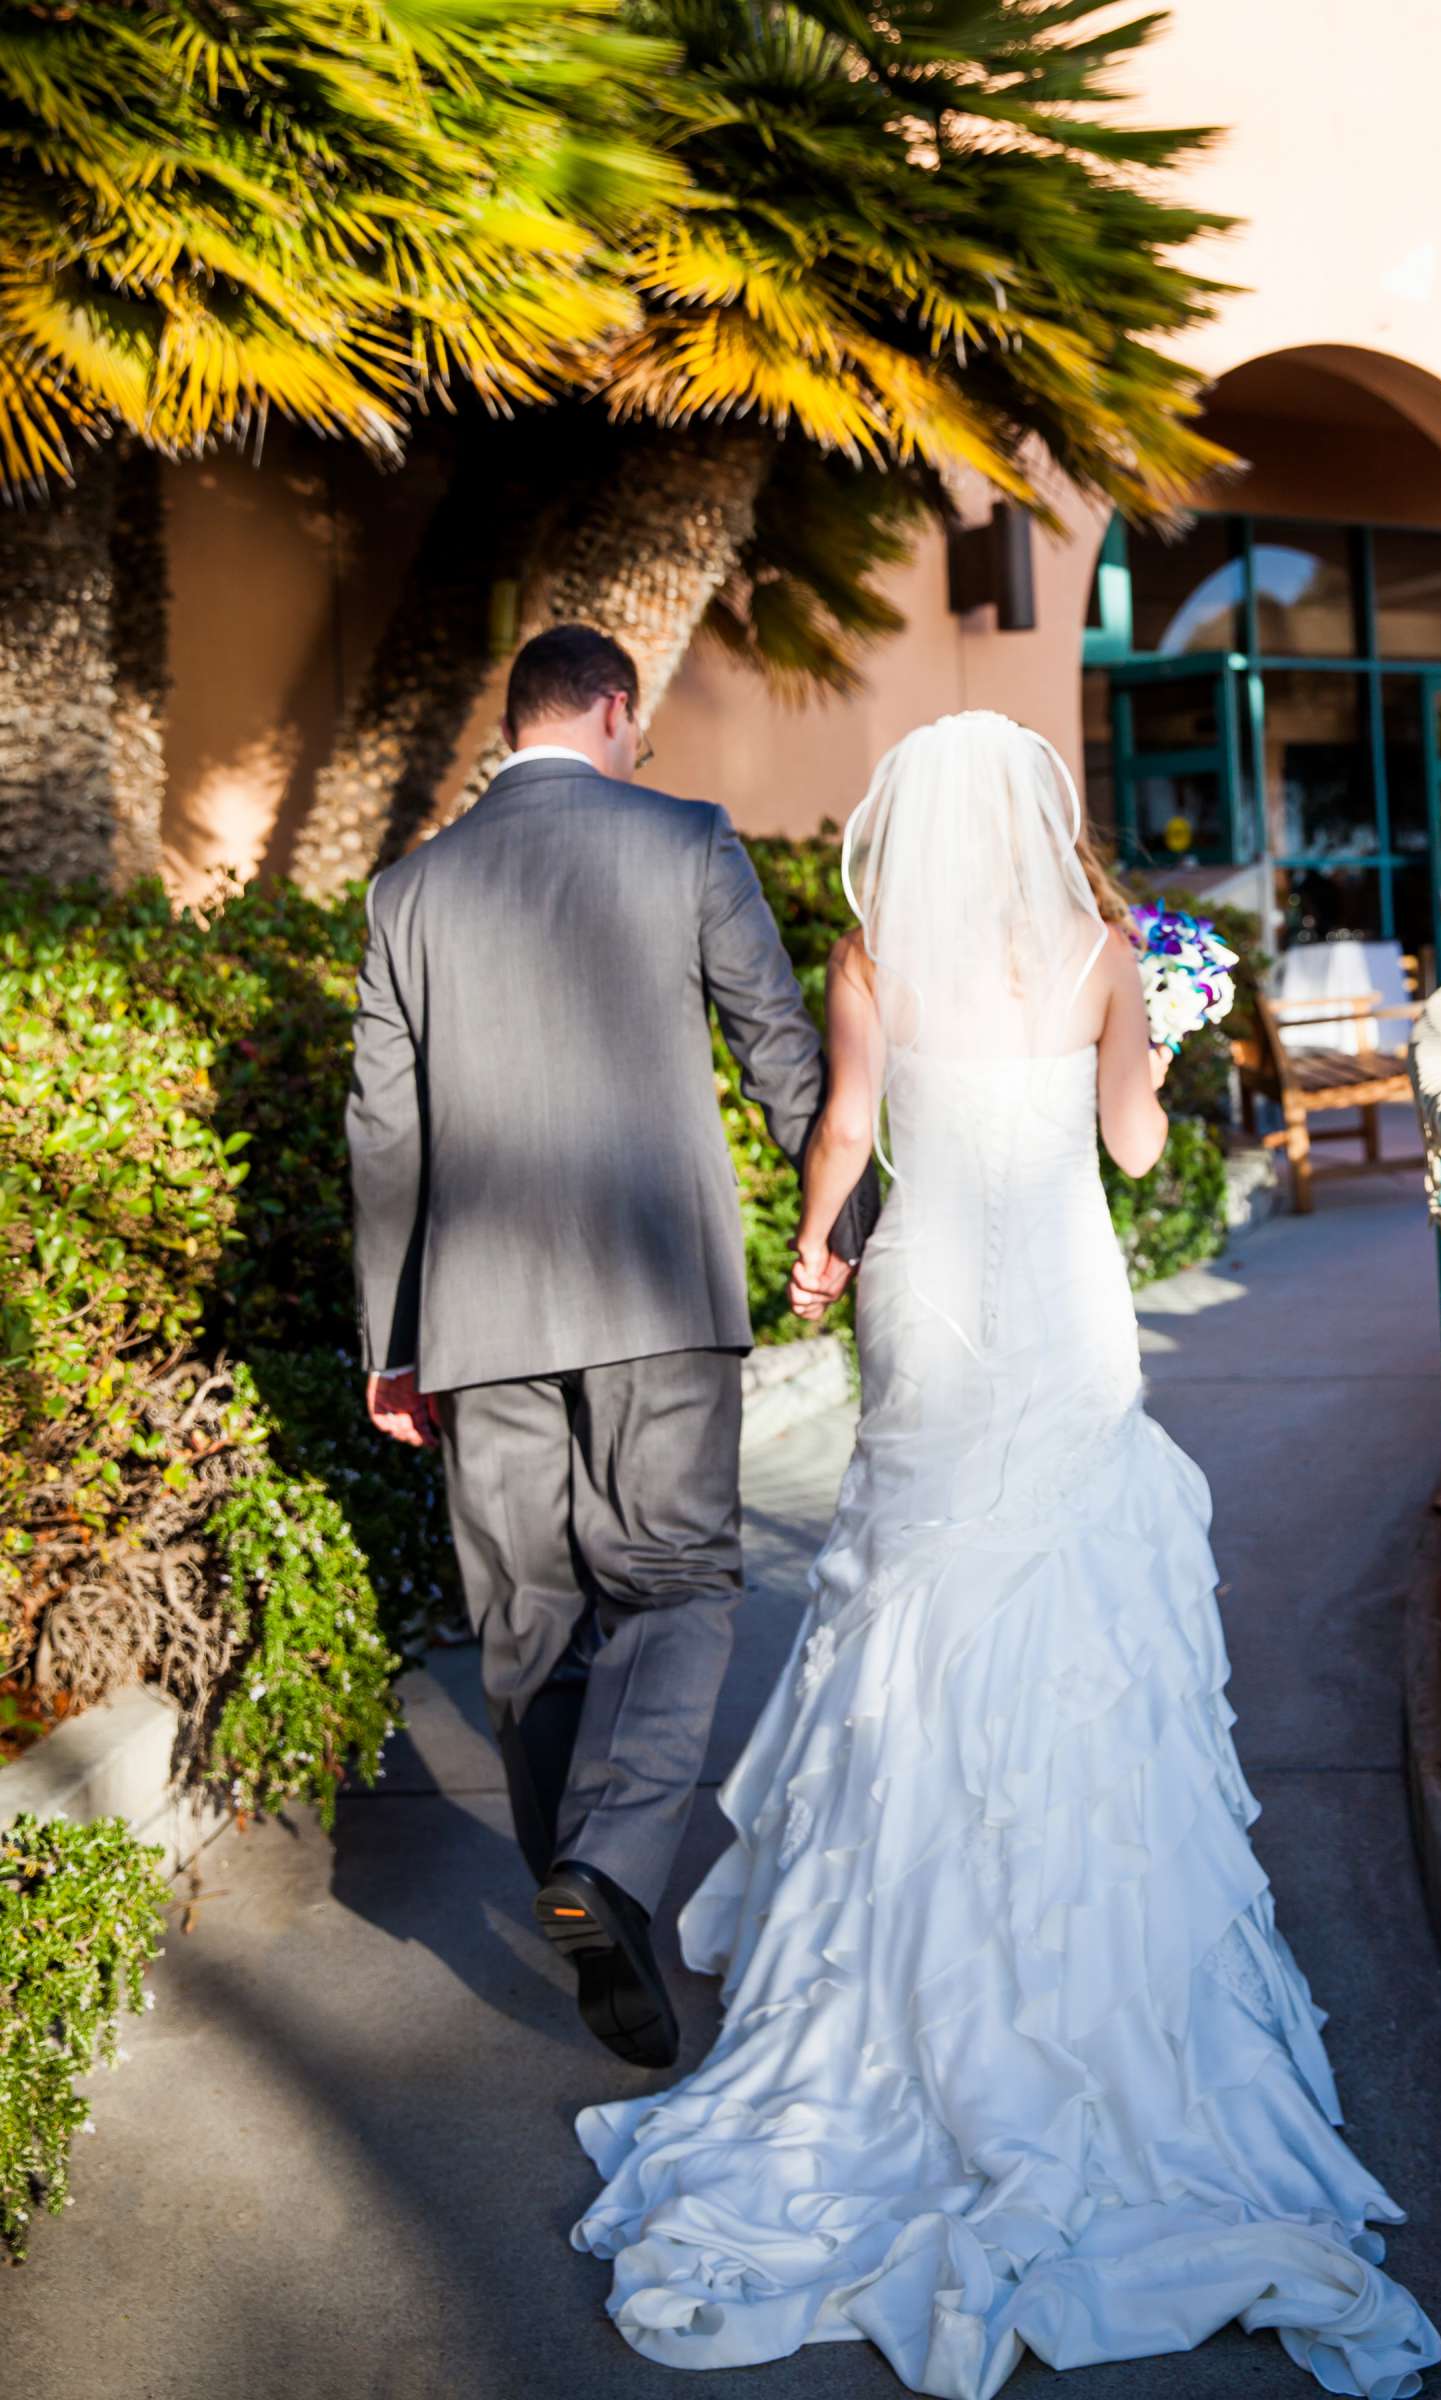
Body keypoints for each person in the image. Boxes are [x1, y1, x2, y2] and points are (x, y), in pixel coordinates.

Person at [572, 713, 1441, 2399]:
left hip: (934, 1300)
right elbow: (1132, 1152)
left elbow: (844, 1130)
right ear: (1039, 813)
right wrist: (1161, 1049)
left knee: (910, 1601)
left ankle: (885, 1959)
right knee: (1076, 1608)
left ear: (916, 821)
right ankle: (1089, 1955)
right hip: (1060, 1306)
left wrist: (822, 1256)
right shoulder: (1115, 948)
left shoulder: (875, 949)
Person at [347, 623, 877, 2073]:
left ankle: (586, 1883)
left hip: (478, 1317)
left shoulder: (409, 890)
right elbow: (782, 1048)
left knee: (523, 1614)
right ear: (615, 710)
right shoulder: (686, 842)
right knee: (675, 1584)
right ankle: (614, 1868)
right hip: (657, 1295)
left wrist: (394, 1340)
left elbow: (384, 1133)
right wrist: (844, 1225)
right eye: (638, 728)